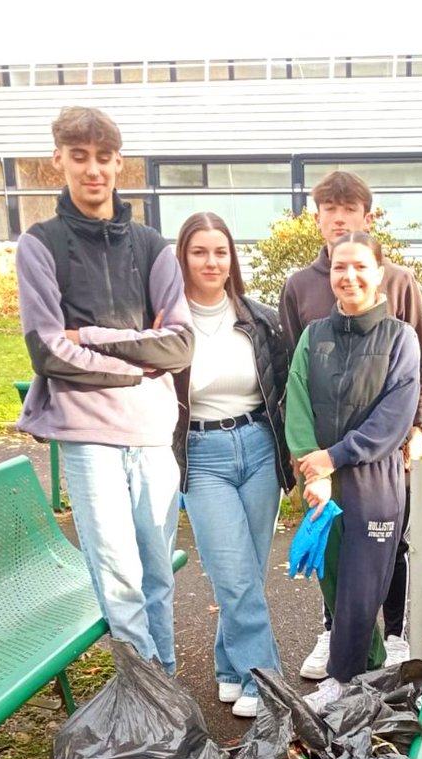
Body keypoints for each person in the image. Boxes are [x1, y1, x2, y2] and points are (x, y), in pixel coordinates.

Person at [16, 106, 193, 673]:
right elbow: (48, 351)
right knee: (118, 574)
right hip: (87, 435)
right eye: (78, 157)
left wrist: (90, 337)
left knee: (157, 569)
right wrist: (135, 364)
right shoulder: (40, 246)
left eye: (102, 158)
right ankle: (147, 691)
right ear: (58, 161)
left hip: (149, 433)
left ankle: (161, 682)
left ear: (120, 162)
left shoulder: (152, 246)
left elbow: (180, 345)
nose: (93, 170)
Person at [279, 170, 422, 678]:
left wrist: (416, 428)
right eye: (340, 268)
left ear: (379, 269)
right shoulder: (311, 320)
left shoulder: (399, 333)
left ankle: (373, 657)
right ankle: (352, 661)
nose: (349, 276)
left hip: (375, 473)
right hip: (322, 473)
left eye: (360, 267)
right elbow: (295, 392)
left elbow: (402, 398)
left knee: (371, 574)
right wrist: (313, 465)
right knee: (334, 574)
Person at [172, 213, 294, 719]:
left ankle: (228, 666)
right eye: (199, 251)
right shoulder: (167, 321)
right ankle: (265, 680)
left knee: (248, 571)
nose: (211, 261)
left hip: (259, 445)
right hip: (202, 455)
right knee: (234, 573)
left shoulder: (259, 318)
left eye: (220, 251)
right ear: (183, 256)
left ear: (232, 257)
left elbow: (285, 386)